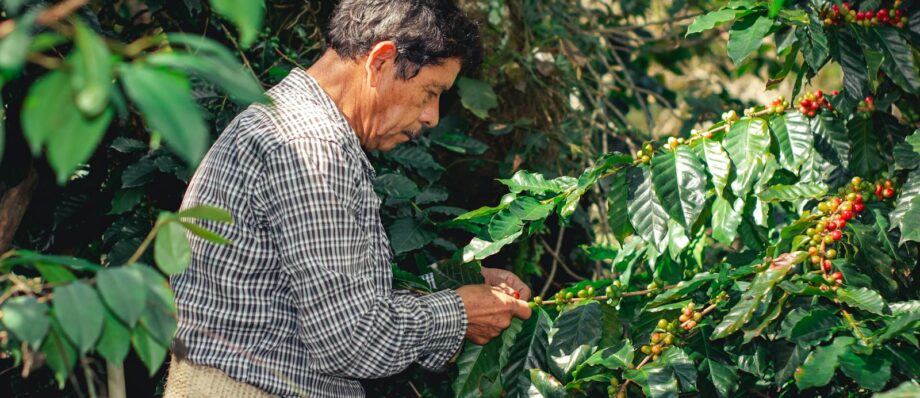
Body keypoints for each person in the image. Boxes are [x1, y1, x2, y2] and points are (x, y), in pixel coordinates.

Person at [164, 1, 532, 397]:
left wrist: (459, 292)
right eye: (430, 92)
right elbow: (350, 338)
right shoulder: (311, 147)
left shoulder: (293, 124)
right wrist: (460, 312)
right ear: (381, 61)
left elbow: (331, 305)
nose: (432, 116)